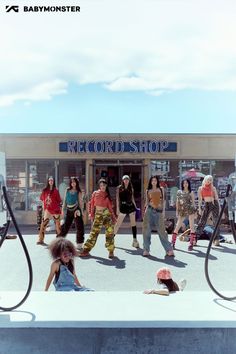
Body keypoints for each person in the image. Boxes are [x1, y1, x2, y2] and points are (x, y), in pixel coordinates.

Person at [79, 178, 116, 259]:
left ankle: (111, 251)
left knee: (110, 232)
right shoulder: (95, 193)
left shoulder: (107, 195)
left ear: (106, 186)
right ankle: (86, 249)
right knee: (94, 233)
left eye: (104, 185)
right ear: (99, 186)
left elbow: (110, 208)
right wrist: (91, 214)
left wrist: (113, 217)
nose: (103, 187)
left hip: (106, 214)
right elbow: (91, 204)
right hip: (98, 214)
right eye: (101, 185)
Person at [142, 175, 174, 257]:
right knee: (146, 231)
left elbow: (163, 201)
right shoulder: (148, 190)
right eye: (152, 180)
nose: (154, 182)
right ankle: (146, 250)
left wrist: (163, 212)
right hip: (149, 211)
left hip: (159, 212)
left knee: (162, 231)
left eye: (155, 180)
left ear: (157, 181)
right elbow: (147, 202)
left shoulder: (161, 189)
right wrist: (145, 211)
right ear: (151, 182)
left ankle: (169, 250)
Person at [59, 177, 85, 251]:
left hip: (76, 210)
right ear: (70, 183)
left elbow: (80, 203)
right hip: (68, 210)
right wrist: (62, 211)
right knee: (65, 226)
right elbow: (64, 201)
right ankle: (59, 241)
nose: (73, 183)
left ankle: (79, 244)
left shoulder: (79, 191)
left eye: (74, 182)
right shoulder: (67, 190)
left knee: (79, 226)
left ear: (76, 183)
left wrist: (82, 213)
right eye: (72, 182)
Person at [114, 175, 139, 248]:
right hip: (123, 206)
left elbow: (132, 198)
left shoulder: (131, 188)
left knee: (133, 224)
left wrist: (136, 208)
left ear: (129, 180)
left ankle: (134, 240)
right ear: (122, 180)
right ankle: (111, 239)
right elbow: (117, 199)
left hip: (131, 206)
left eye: (127, 179)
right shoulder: (119, 188)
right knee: (118, 224)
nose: (126, 180)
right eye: (125, 179)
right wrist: (117, 209)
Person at [171, 179, 196, 251]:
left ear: (188, 184)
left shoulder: (191, 192)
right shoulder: (179, 192)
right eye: (184, 183)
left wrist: (195, 213)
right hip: (182, 210)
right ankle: (173, 242)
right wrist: (177, 211)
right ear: (182, 184)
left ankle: (191, 244)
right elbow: (177, 202)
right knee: (178, 226)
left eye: (186, 183)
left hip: (190, 209)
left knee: (192, 226)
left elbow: (193, 203)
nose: (185, 184)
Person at [195, 175, 220, 247]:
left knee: (216, 222)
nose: (208, 181)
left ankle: (216, 239)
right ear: (205, 179)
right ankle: (195, 238)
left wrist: (220, 207)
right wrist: (199, 208)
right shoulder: (200, 188)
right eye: (207, 180)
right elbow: (200, 200)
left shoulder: (213, 188)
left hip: (214, 204)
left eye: (210, 180)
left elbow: (217, 198)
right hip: (206, 204)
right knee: (202, 221)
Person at [37, 176, 62, 245]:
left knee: (57, 224)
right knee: (44, 224)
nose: (51, 182)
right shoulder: (44, 190)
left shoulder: (56, 191)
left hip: (55, 209)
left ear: (53, 182)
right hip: (47, 209)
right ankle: (40, 239)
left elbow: (59, 201)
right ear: (48, 182)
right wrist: (44, 208)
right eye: (49, 180)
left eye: (52, 181)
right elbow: (42, 200)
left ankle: (59, 239)